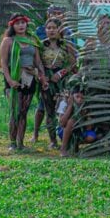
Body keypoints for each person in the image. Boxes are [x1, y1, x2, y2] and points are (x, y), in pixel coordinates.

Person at [0, 14, 48, 152]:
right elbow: (3, 63)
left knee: (23, 112)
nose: (21, 25)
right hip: (14, 78)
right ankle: (12, 143)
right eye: (17, 23)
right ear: (12, 26)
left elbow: (38, 61)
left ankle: (21, 143)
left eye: (23, 23)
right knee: (15, 110)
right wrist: (10, 80)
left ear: (26, 24)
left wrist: (42, 77)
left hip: (30, 78)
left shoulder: (32, 40)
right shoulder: (8, 41)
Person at [32, 18, 77, 149]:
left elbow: (73, 63)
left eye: (54, 28)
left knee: (63, 108)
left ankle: (66, 138)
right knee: (49, 110)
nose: (51, 30)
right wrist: (42, 77)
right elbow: (37, 63)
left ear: (59, 30)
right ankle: (52, 140)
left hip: (62, 81)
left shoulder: (66, 45)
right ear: (45, 30)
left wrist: (60, 73)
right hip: (46, 80)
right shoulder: (40, 46)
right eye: (49, 28)